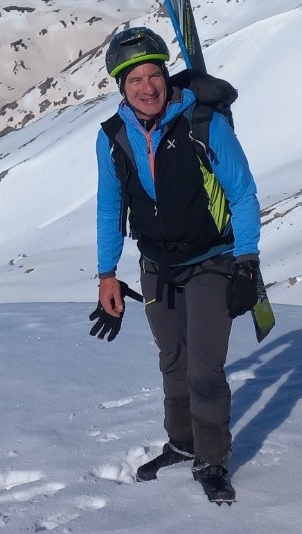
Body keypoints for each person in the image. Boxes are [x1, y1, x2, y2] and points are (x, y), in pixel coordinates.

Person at [88, 26, 263, 503]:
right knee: (173, 362)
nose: (148, 87)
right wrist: (107, 274)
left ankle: (212, 457)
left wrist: (246, 263)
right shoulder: (113, 137)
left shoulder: (203, 123)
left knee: (205, 369)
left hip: (211, 261)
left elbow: (243, 194)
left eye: (154, 75)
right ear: (121, 87)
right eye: (135, 79)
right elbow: (110, 207)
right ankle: (182, 443)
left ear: (166, 75)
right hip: (155, 265)